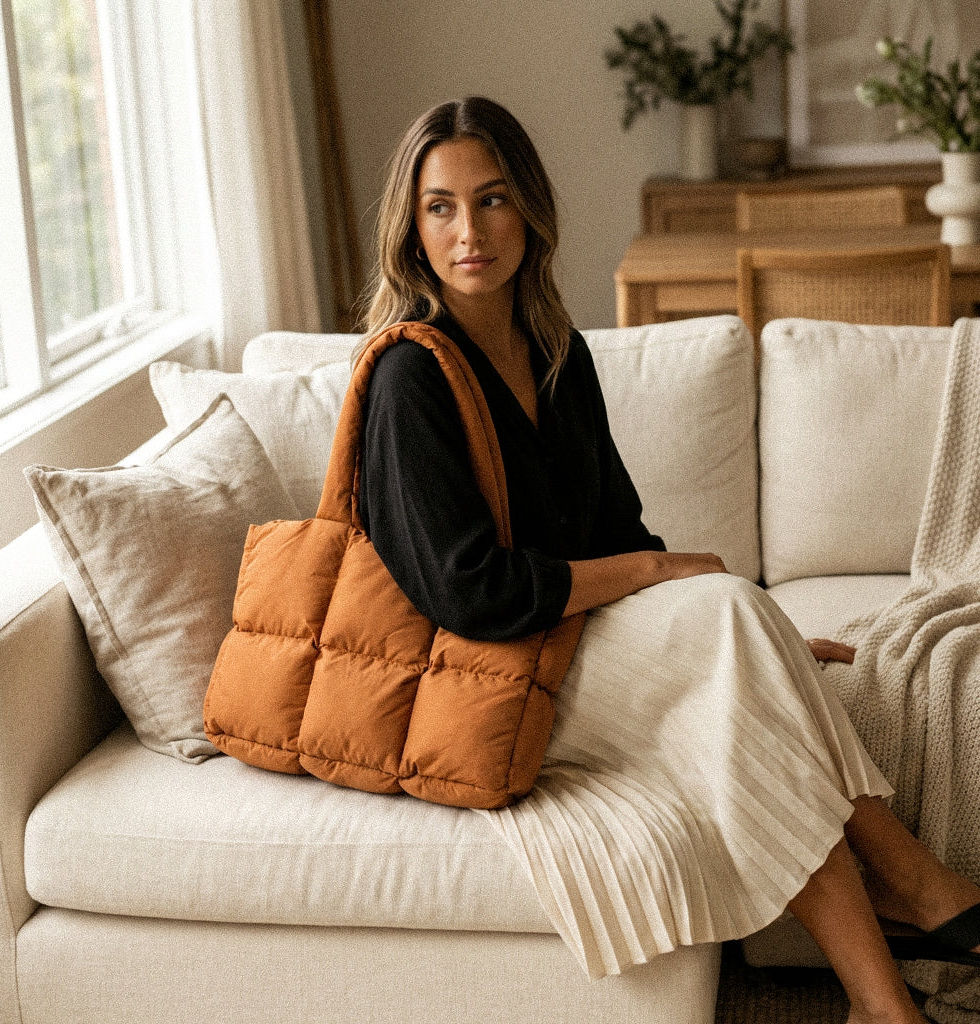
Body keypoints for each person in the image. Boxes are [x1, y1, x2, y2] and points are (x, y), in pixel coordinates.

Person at [356, 95, 980, 1024]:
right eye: (439, 206)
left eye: (490, 200)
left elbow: (618, 526)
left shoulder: (557, 352)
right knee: (722, 615)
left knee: (735, 641)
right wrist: (665, 587)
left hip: (579, 641)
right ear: (411, 227)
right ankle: (913, 888)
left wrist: (751, 640)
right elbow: (470, 593)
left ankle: (884, 1006)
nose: (469, 231)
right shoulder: (411, 376)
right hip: (494, 669)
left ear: (529, 208)